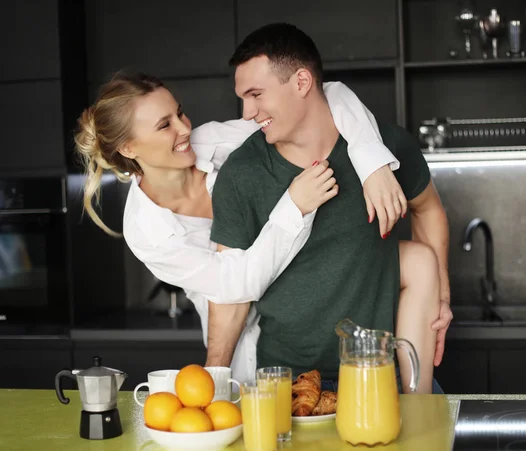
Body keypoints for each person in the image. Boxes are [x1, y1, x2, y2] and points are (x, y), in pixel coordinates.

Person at [73, 71, 408, 381]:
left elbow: (325, 97)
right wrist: (294, 206)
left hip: (312, 310)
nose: (185, 128)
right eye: (165, 125)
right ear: (128, 147)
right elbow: (236, 284)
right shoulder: (146, 232)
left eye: (180, 112)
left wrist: (372, 162)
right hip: (244, 348)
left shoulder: (214, 141)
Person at [208, 23, 452, 393]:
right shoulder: (241, 175)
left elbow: (428, 210)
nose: (247, 112)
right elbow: (231, 292)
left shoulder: (386, 149)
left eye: (256, 94)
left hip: (379, 376)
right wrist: (214, 380)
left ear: (302, 82)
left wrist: (442, 296)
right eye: (243, 97)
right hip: (286, 385)